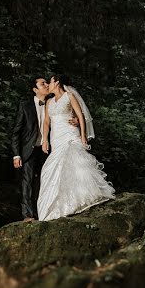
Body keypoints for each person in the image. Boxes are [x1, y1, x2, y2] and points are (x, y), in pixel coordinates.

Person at [37, 75, 115, 221]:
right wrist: (44, 139)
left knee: (75, 161)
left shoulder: (69, 96)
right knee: (54, 167)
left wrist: (83, 135)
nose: (49, 84)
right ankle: (60, 205)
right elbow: (46, 122)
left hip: (70, 134)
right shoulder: (49, 102)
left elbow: (81, 116)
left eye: (51, 81)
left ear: (58, 83)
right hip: (56, 138)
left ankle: (84, 197)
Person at [11, 77, 78, 221]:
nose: (47, 85)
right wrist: (16, 155)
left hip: (47, 148)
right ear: (35, 89)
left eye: (47, 83)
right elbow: (16, 131)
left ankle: (45, 211)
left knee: (46, 180)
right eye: (43, 84)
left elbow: (69, 113)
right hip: (29, 149)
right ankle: (27, 215)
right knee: (27, 181)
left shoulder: (53, 101)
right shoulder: (25, 105)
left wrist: (77, 120)